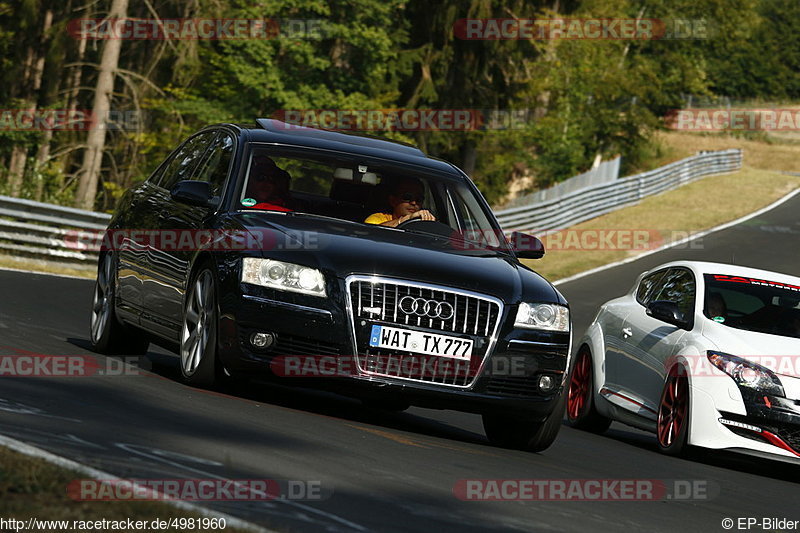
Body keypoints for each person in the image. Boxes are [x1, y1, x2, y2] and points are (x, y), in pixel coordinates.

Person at [364, 177, 435, 227]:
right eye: (407, 197)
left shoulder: (425, 224)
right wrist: (408, 219)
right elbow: (372, 234)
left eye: (419, 199)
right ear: (393, 201)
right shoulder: (377, 219)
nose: (413, 203)